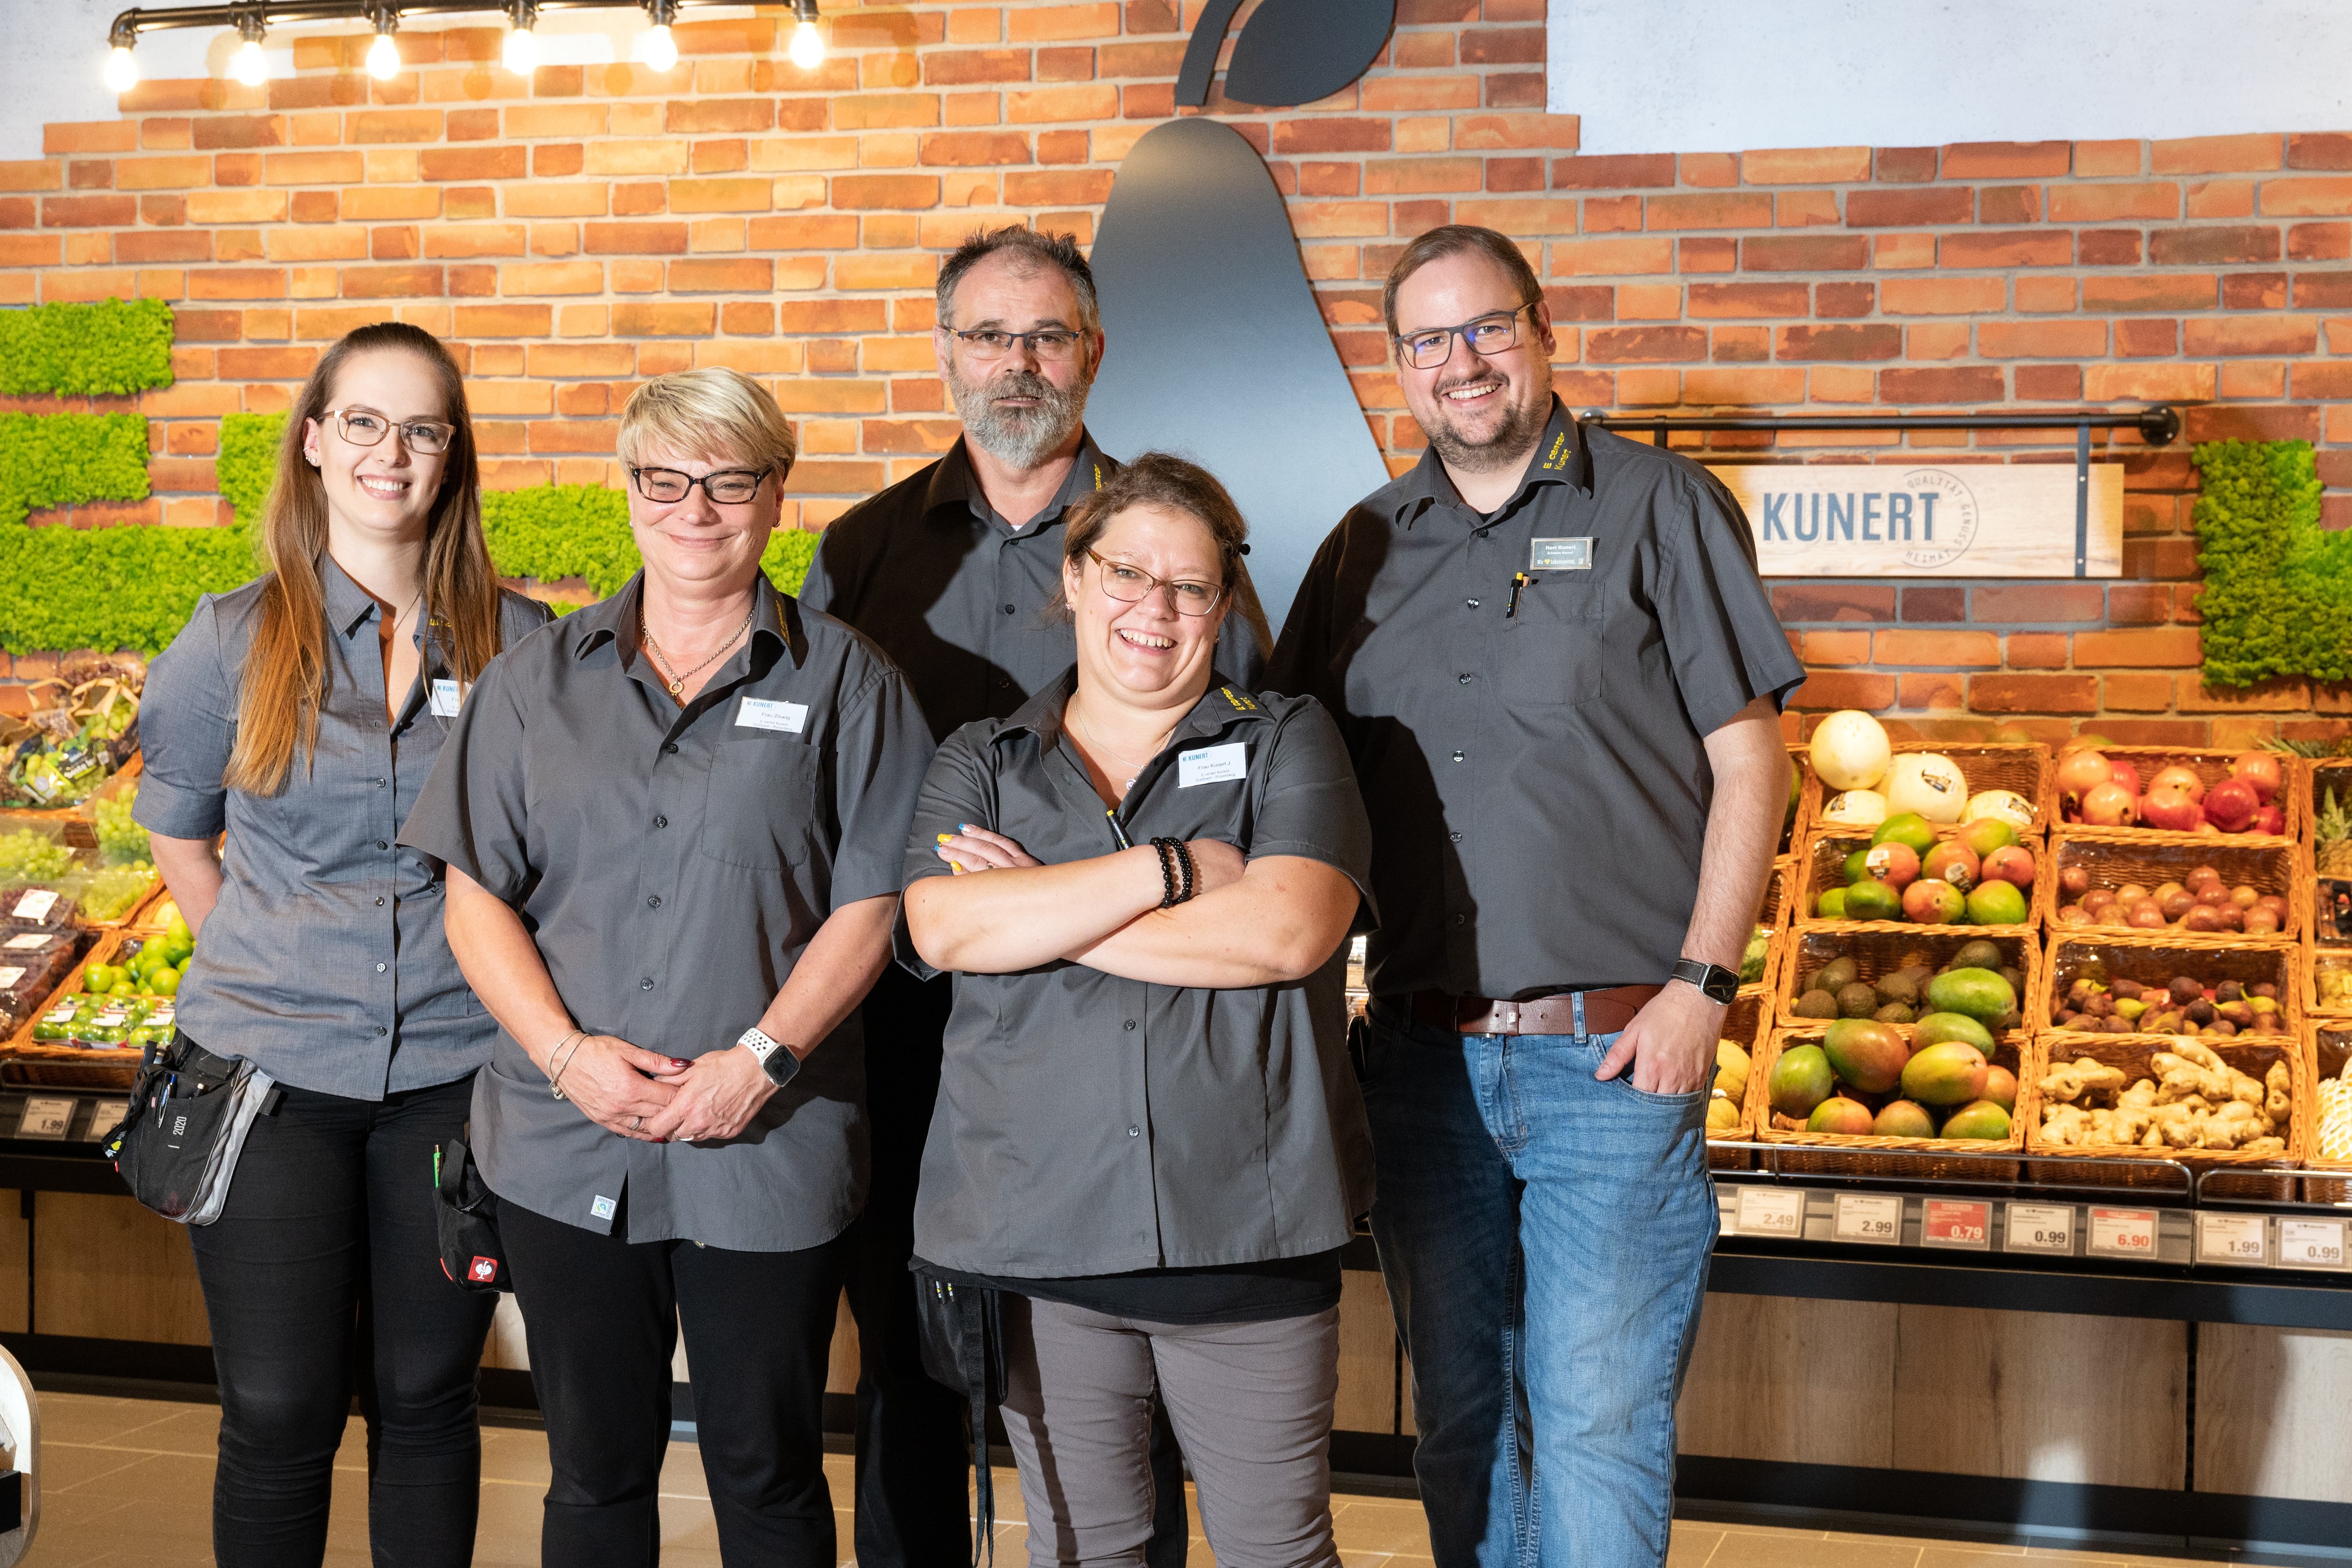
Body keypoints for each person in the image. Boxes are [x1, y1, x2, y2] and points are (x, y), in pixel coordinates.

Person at [1265, 224, 1802, 1568]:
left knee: (1595, 1424)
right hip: (1420, 1063)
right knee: (1462, 1424)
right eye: (1429, 339)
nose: (1463, 361)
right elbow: (1287, 776)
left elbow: (1753, 760)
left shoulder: (1659, 506)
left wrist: (1703, 987)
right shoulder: (1362, 544)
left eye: (1488, 327)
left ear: (1543, 329)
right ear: (1399, 365)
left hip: (1611, 1060)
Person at [398, 367, 931, 1565]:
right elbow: (474, 894)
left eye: (729, 480)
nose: (696, 509)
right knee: (592, 1470)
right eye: (666, 479)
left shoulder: (850, 681)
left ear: (776, 493)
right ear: (629, 489)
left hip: (769, 1139)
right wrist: (566, 1056)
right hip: (565, 1134)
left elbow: (876, 900)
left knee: (765, 1464)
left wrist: (761, 1059)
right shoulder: (534, 679)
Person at [798, 223, 1256, 1564]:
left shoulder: (1171, 541)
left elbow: (1238, 769)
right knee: (910, 1355)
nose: (1018, 363)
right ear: (945, 352)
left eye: (1047, 336)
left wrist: (1097, 898)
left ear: (1093, 353)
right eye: (989, 336)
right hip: (911, 1019)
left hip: (1122, 1018)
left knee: (1111, 1378)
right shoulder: (864, 549)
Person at [901, 453, 1373, 1568]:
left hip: (1246, 1235)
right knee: (1085, 1554)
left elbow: (1285, 933)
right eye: (1125, 573)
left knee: (1279, 1554)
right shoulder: (982, 760)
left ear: (1222, 602)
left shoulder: (1286, 739)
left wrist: (1041, 909)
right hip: (1040, 1241)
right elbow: (943, 928)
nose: (1153, 608)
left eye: (1190, 586)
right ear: (1073, 577)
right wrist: (1170, 870)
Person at [133, 320, 554, 1566]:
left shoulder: (522, 643)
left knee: (427, 1396)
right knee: (278, 1408)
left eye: (422, 428)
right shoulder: (230, 639)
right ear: (315, 440)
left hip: (458, 1077)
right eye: (363, 421)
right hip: (268, 1081)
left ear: (452, 454)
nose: (391, 452)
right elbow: (180, 835)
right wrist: (279, 972)